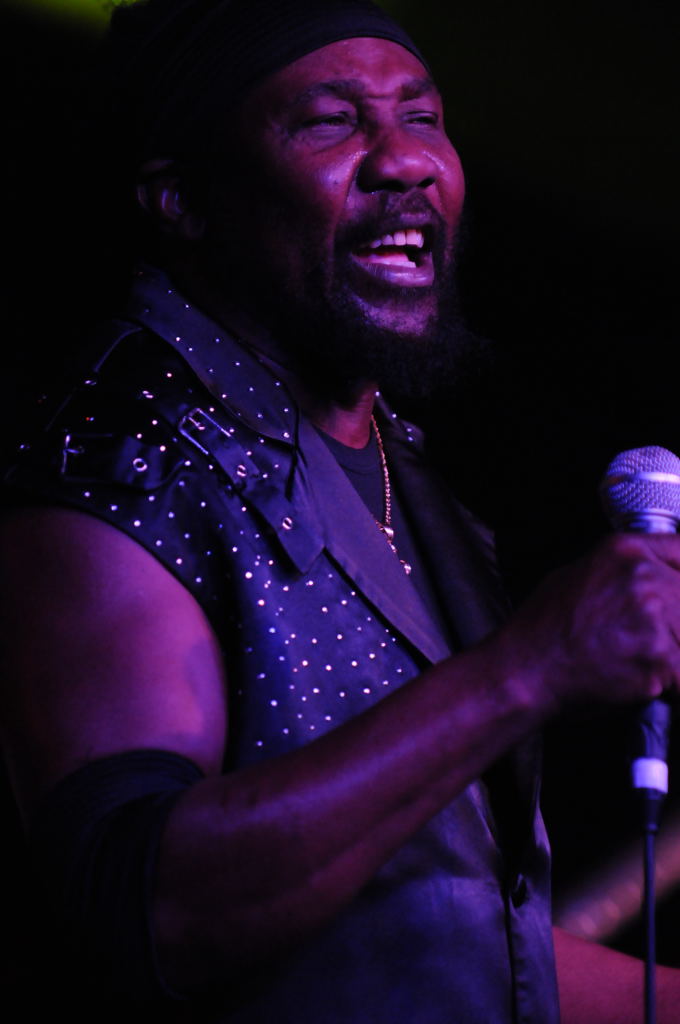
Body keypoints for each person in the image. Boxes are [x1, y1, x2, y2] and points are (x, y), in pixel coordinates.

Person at [2, 1, 680, 1021]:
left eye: (423, 116)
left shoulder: (413, 483)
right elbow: (151, 912)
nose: (405, 160)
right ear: (183, 199)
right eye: (330, 122)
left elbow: (438, 943)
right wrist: (531, 663)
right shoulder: (121, 455)